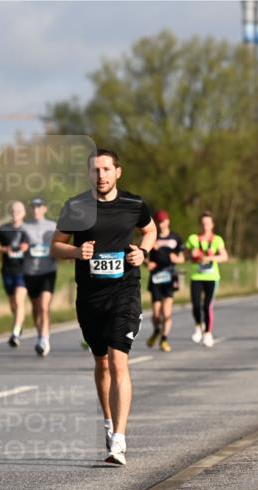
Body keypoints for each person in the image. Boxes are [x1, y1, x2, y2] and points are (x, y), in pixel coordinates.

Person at [50, 149, 156, 466]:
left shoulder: (134, 204)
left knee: (118, 360)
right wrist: (76, 252)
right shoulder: (76, 207)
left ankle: (119, 441)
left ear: (117, 172)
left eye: (107, 170)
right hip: (90, 297)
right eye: (96, 171)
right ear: (89, 175)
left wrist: (144, 253)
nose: (102, 176)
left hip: (124, 292)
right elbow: (55, 245)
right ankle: (109, 425)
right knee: (103, 363)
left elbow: (150, 230)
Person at [186, 212, 229, 347]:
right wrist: (190, 254)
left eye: (208, 223)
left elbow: (224, 257)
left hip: (211, 277)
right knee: (196, 305)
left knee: (207, 306)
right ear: (201, 224)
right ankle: (198, 327)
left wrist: (210, 258)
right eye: (203, 223)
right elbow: (185, 254)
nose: (205, 226)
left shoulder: (217, 240)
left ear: (212, 225)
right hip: (196, 276)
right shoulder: (193, 239)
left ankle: (208, 333)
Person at [0, 201, 30, 347]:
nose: (16, 213)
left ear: (24, 213)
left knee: (19, 302)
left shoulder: (28, 230)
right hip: (7, 270)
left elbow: (38, 246)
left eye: (19, 211)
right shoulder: (4, 229)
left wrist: (27, 248)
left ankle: (15, 332)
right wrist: (4, 249)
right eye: (13, 211)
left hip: (24, 271)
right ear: (10, 212)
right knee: (13, 304)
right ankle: (19, 325)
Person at [23, 197, 59, 356]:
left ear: (45, 209)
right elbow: (17, 247)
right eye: (34, 207)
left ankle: (44, 339)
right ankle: (39, 334)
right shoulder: (24, 227)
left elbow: (59, 245)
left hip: (48, 271)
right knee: (35, 307)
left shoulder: (53, 227)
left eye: (39, 207)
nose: (36, 210)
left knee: (44, 307)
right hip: (30, 272)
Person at [145, 210, 184, 352]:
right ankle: (156, 330)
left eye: (163, 221)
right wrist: (147, 263)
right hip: (155, 277)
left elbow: (182, 258)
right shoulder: (151, 236)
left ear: (168, 221)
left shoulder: (175, 238)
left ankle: (164, 339)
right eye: (159, 222)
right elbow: (143, 254)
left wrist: (177, 259)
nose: (161, 225)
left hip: (170, 276)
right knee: (156, 314)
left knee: (167, 312)